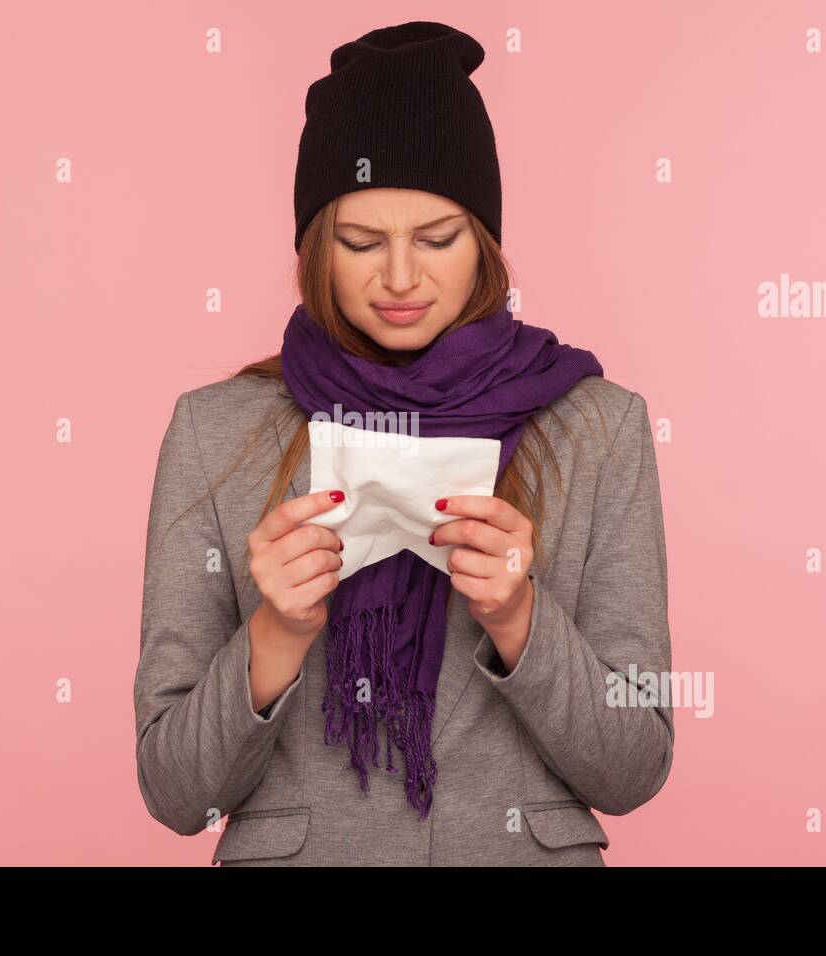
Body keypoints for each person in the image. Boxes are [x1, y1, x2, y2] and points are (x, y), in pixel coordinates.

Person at [134, 20, 674, 866]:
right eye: (358, 243)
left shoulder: (599, 429)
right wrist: (275, 633)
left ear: (487, 241)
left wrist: (519, 617)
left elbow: (635, 767)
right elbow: (175, 794)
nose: (398, 278)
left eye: (436, 239)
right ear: (314, 246)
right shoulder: (217, 432)